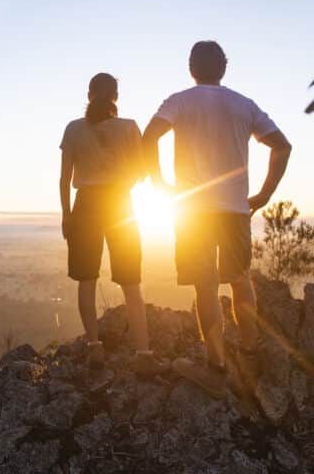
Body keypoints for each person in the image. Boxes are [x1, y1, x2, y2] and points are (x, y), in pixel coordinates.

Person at [143, 41, 292, 398]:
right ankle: (250, 354)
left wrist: (160, 183)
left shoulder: (178, 101)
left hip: (193, 209)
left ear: (191, 68)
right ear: (223, 68)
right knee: (241, 280)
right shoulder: (244, 104)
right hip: (235, 209)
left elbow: (148, 138)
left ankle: (216, 368)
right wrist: (265, 194)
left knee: (205, 285)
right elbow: (283, 146)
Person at [60, 72, 168, 375]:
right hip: (121, 204)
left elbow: (65, 178)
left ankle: (94, 347)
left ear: (89, 93)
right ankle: (144, 352)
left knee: (86, 279)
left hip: (86, 205)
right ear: (115, 97)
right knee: (131, 280)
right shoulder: (129, 128)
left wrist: (66, 215)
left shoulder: (73, 129)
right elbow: (142, 171)